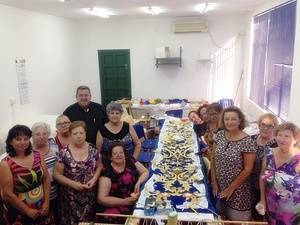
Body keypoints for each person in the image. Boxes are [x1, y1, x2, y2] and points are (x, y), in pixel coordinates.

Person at [0, 125, 54, 225]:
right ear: (11, 142)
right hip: (20, 211)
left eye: (26, 139)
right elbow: (7, 193)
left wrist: (47, 202)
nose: (23, 142)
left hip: (42, 206)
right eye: (18, 139)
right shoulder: (5, 163)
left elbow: (46, 179)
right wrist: (27, 210)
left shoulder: (37, 155)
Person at [211, 106, 256, 221]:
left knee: (237, 220)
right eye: (227, 119)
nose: (229, 122)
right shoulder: (220, 135)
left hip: (239, 190)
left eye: (233, 119)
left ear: (240, 120)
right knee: (221, 217)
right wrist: (214, 181)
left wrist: (231, 188)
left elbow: (248, 169)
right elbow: (213, 157)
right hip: (220, 186)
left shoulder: (247, 141)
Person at [53, 121, 102, 225]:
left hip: (89, 196)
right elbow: (57, 175)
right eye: (75, 134)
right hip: (70, 198)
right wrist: (73, 184)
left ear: (85, 134)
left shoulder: (93, 149)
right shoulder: (63, 152)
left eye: (81, 133)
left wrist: (94, 180)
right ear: (70, 135)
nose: (78, 136)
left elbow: (99, 167)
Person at [96, 142, 149, 224]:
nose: (119, 155)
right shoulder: (107, 172)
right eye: (115, 153)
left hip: (134, 199)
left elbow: (145, 172)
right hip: (115, 205)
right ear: (111, 157)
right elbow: (101, 199)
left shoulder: (130, 160)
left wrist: (138, 182)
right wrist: (124, 201)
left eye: (121, 152)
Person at [258, 122, 300, 224]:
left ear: (295, 139)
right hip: (271, 207)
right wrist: (262, 200)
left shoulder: (298, 158)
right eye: (279, 135)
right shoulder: (268, 153)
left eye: (287, 136)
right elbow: (262, 176)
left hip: (292, 212)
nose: (282, 139)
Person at [251, 113, 278, 220]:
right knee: (253, 213)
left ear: (275, 128)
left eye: (270, 126)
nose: (265, 128)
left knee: (262, 215)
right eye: (263, 124)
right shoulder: (251, 139)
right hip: (249, 183)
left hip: (266, 187)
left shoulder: (276, 145)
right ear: (259, 125)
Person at [31, 122, 59, 224]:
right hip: (39, 196)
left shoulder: (54, 145)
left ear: (48, 134)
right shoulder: (29, 151)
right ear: (32, 136)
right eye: (38, 134)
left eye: (44, 133)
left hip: (56, 191)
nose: (42, 137)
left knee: (56, 217)